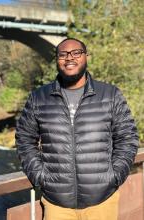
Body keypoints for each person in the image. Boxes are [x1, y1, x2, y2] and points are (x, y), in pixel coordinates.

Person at [15, 38, 139, 220]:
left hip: (102, 201)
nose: (69, 58)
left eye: (76, 53)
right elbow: (24, 139)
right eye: (63, 54)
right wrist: (40, 177)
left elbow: (127, 138)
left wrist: (114, 176)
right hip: (57, 204)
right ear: (57, 59)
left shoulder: (110, 94)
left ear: (86, 56)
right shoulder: (39, 98)